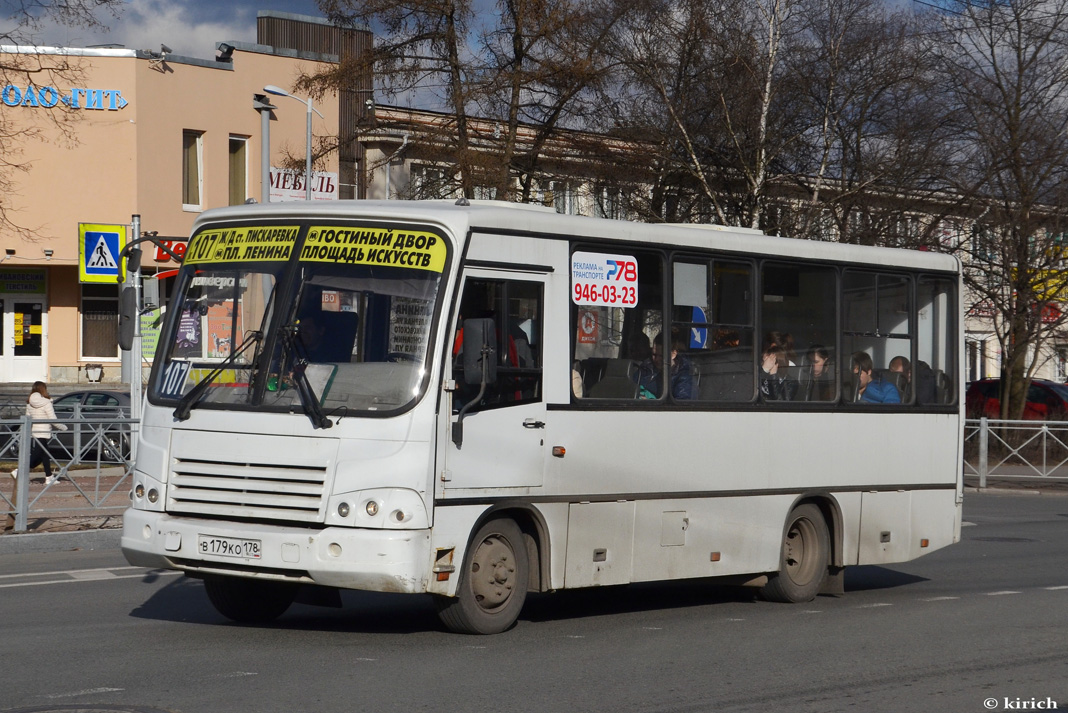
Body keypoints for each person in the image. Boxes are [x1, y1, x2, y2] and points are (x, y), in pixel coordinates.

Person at [10, 381, 67, 486]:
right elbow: (53, 419)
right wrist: (64, 427)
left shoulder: (29, 403)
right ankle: (19, 471)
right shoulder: (47, 403)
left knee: (45, 455)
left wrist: (27, 432)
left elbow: (28, 419)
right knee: (37, 456)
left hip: (35, 433)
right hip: (44, 432)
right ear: (43, 389)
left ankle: (49, 477)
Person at [635, 331, 695, 399]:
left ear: (673, 354)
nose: (656, 359)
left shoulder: (684, 376)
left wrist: (651, 403)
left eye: (661, 356)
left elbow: (681, 405)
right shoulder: (646, 367)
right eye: (654, 355)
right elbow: (630, 386)